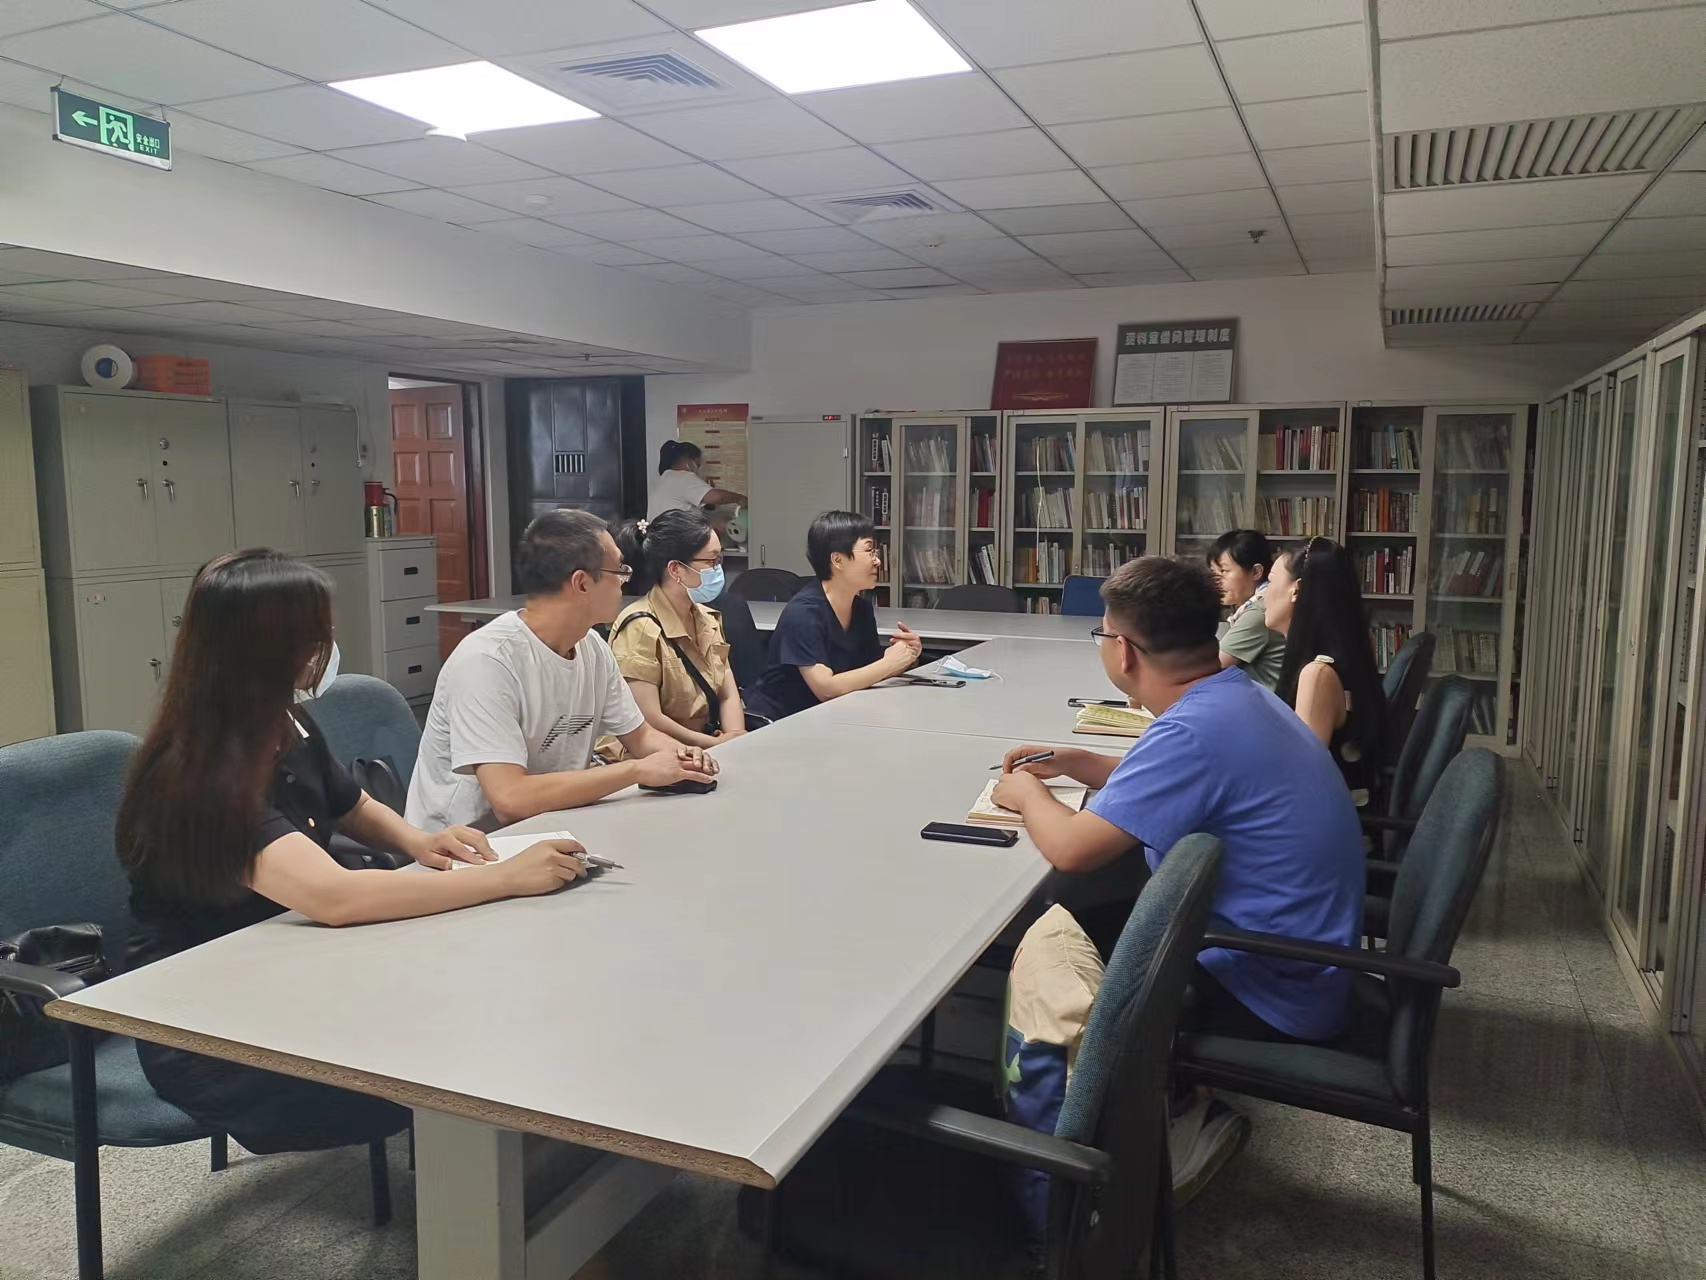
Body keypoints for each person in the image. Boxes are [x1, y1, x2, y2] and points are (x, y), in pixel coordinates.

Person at [116, 550, 591, 1154]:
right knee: (448, 1048)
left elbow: (348, 803)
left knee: (479, 995)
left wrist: (420, 840)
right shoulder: (204, 772)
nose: (329, 640)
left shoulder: (281, 718)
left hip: (289, 960)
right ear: (270, 645)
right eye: (317, 630)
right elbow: (334, 897)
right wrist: (507, 878)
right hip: (209, 1021)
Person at [990, 555, 1364, 1199]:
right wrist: (1081, 762)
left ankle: (1119, 1152)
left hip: (1265, 985)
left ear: (1124, 652)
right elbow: (1190, 777)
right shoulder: (1232, 695)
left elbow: (1073, 849)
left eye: (1103, 632)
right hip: (1303, 960)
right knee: (1088, 908)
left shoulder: (1193, 729)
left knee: (1061, 913)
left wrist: (1025, 794)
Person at [406, 510, 719, 831]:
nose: (624, 582)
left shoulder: (592, 648)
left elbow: (641, 737)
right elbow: (510, 799)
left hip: (553, 819)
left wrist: (685, 758)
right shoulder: (486, 662)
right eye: (619, 571)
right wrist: (636, 770)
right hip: (468, 840)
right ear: (581, 583)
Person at [742, 510, 922, 721]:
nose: (878, 561)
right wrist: (889, 663)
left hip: (832, 714)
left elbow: (870, 674)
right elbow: (826, 689)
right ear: (838, 560)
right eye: (869, 551)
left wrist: (908, 655)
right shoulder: (803, 613)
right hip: (781, 721)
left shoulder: (861, 609)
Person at [606, 508, 746, 752]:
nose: (717, 569)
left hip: (707, 749)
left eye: (719, 560)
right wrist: (714, 744)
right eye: (711, 561)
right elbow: (649, 719)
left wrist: (734, 738)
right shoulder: (640, 627)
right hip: (655, 756)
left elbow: (727, 695)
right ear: (676, 569)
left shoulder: (707, 619)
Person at [1265, 536, 1386, 807]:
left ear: (1296, 590)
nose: (1262, 594)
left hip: (1327, 825)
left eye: (1270, 582)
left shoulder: (1317, 675)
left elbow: (1301, 782)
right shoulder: (1341, 655)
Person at [1207, 528, 1285, 691]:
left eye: (1224, 571)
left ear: (1256, 572)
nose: (1216, 580)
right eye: (1213, 572)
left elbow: (1210, 667)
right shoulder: (1258, 603)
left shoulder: (1260, 610)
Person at [647, 440, 746, 520]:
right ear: (688, 460)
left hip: (660, 535)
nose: (697, 470)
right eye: (697, 465)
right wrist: (740, 498)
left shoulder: (666, 478)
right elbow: (717, 497)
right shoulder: (683, 477)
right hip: (673, 536)